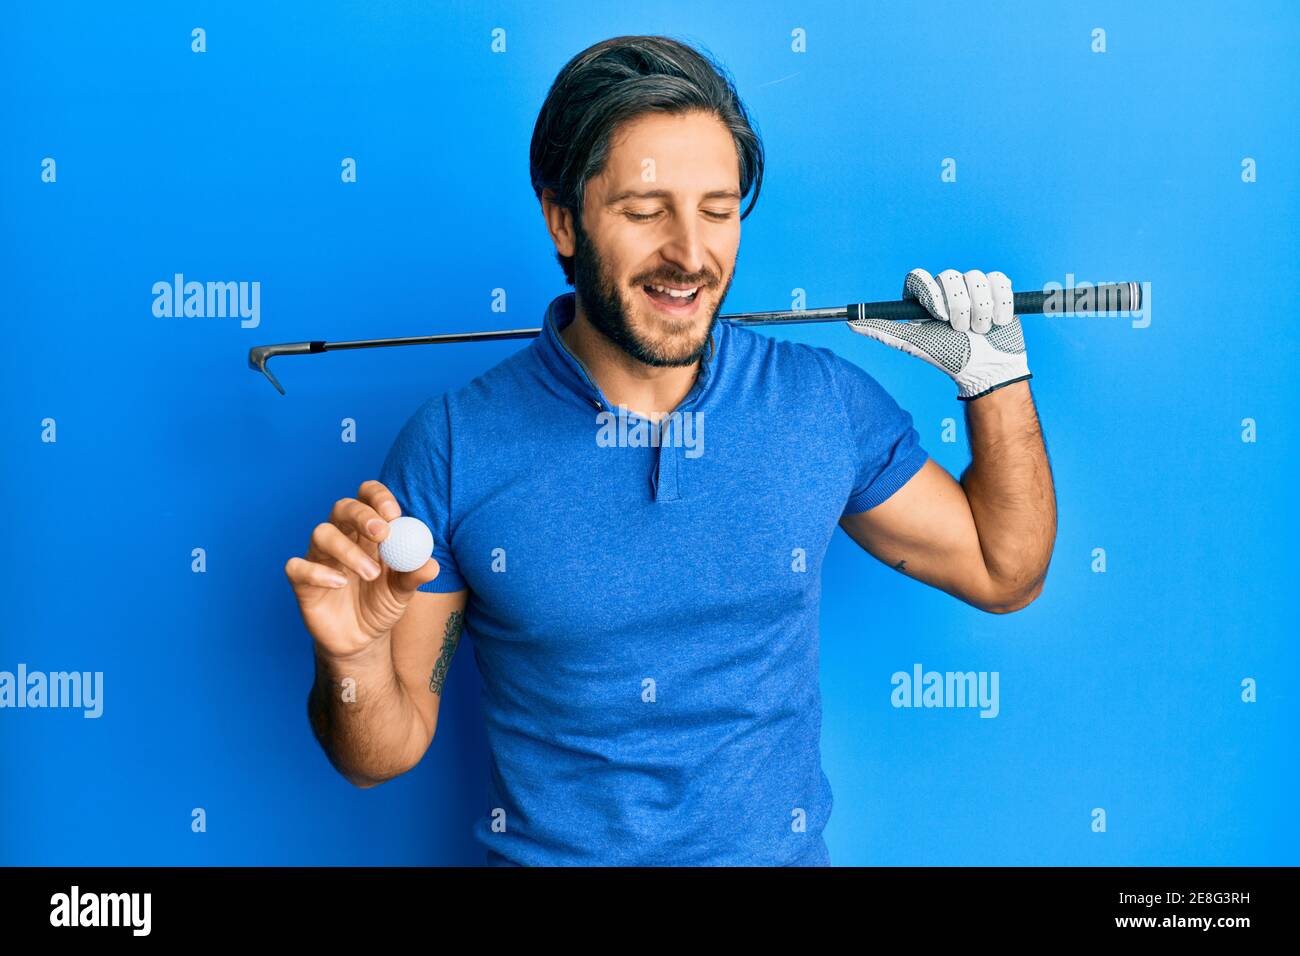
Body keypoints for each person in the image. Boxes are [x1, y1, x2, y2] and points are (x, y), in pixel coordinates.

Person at [286, 35, 1056, 866]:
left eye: (718, 210)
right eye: (646, 211)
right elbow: (377, 757)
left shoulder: (819, 405)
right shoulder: (454, 442)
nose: (690, 254)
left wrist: (995, 376)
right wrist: (354, 660)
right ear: (563, 219)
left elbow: (1002, 571)